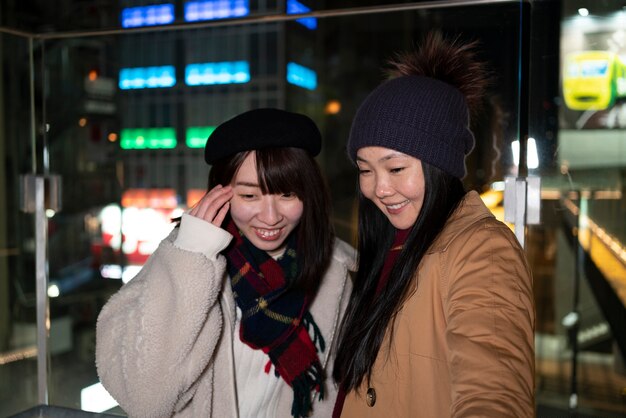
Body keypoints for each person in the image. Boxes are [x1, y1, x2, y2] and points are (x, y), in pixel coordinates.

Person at [96, 108, 355, 418]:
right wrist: (193, 256)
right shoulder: (186, 258)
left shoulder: (336, 272)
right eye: (249, 196)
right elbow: (144, 398)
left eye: (287, 194)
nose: (271, 217)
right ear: (220, 194)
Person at [332, 33, 535, 417]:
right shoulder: (390, 245)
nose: (379, 188)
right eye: (365, 170)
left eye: (395, 168)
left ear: (439, 165)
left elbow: (494, 387)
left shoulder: (483, 250)